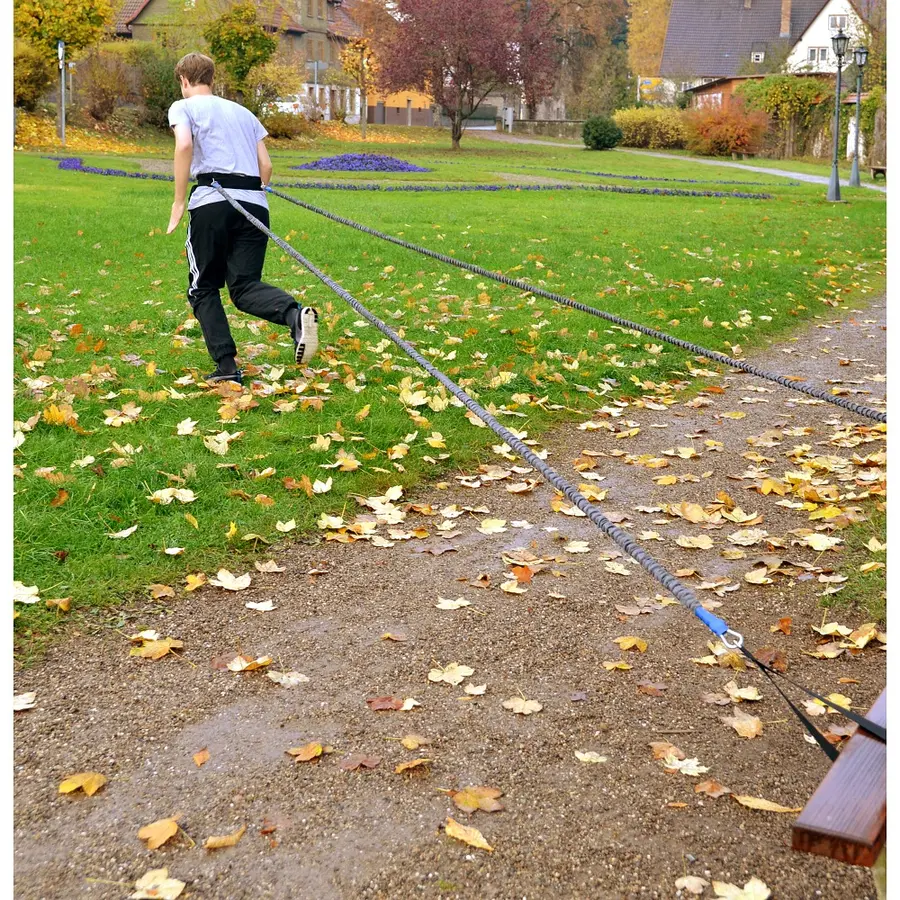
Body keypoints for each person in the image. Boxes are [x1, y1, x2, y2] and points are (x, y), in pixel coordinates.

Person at [165, 52, 317, 385]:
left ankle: (226, 367)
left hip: (212, 202)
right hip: (255, 205)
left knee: (203, 287)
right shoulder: (244, 112)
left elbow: (184, 145)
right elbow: (267, 168)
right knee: (244, 286)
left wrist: (178, 201)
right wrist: (251, 190)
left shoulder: (183, 106)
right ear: (213, 79)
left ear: (184, 81)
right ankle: (294, 316)